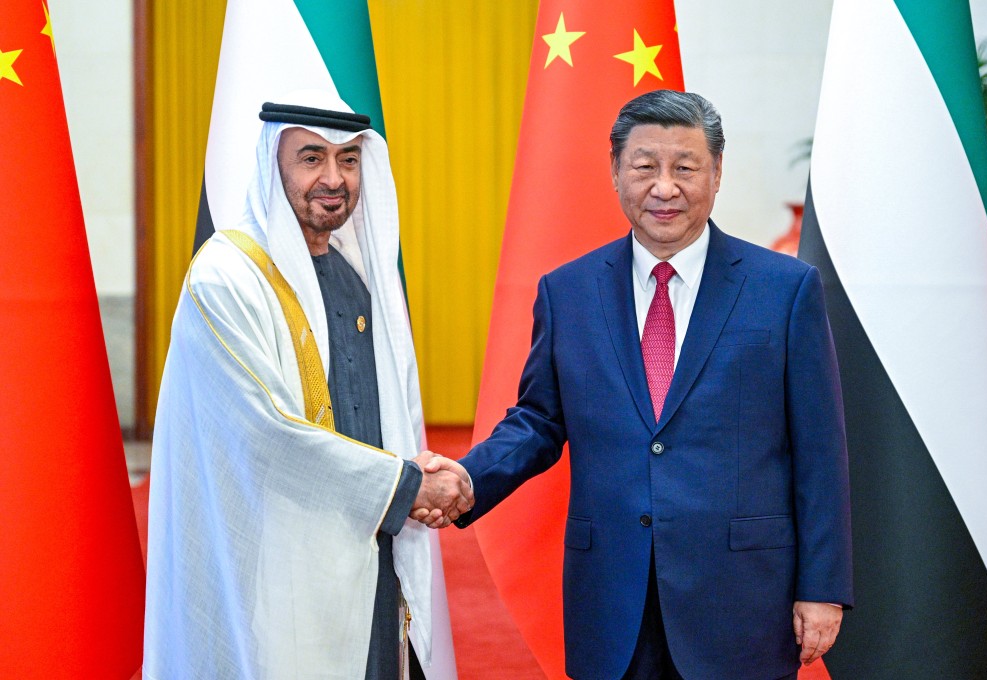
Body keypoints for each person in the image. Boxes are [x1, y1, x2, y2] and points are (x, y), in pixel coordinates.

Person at [438, 90, 853, 680]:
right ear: (615, 172)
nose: (665, 187)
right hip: (613, 598)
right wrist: (466, 478)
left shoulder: (784, 291)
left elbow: (820, 451)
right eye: (644, 167)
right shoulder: (568, 292)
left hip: (739, 600)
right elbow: (538, 420)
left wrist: (823, 587)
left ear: (716, 174)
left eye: (685, 168)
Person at [143, 90, 471, 680]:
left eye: (348, 160)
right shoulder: (227, 279)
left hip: (367, 546)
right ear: (274, 164)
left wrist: (412, 473)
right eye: (311, 157)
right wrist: (406, 486)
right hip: (275, 567)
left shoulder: (352, 276)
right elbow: (266, 437)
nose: (334, 177)